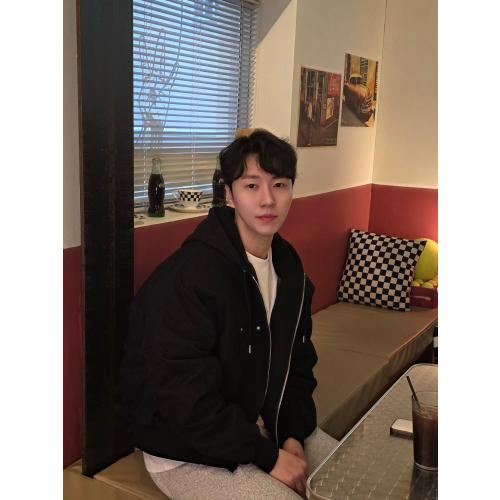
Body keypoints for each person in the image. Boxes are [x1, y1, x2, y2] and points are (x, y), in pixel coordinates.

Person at [119, 129, 338, 499]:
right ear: (229, 194)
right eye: (252, 186)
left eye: (279, 185)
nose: (268, 200)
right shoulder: (189, 278)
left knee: (353, 478)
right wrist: (269, 456)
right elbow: (186, 401)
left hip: (259, 423)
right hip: (184, 449)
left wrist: (292, 435)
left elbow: (298, 364)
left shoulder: (289, 269)